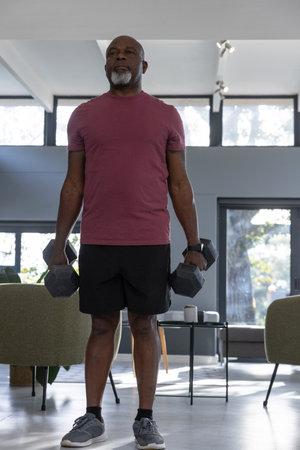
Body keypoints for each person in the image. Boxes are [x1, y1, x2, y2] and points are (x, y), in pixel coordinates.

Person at [51, 35, 207, 449]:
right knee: (101, 326)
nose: (120, 57)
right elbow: (73, 183)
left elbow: (179, 183)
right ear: (105, 67)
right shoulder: (83, 117)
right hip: (99, 240)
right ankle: (92, 416)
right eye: (112, 53)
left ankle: (145, 419)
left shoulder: (167, 116)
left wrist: (194, 243)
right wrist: (58, 242)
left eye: (129, 52)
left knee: (144, 325)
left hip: (149, 240)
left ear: (144, 65)